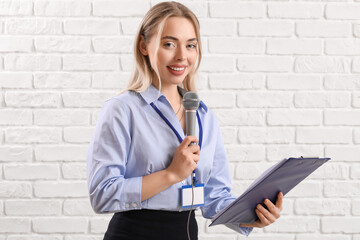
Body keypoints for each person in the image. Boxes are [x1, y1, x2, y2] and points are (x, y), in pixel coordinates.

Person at [86, 2, 283, 240]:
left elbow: (215, 197)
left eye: (190, 45)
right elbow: (102, 194)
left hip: (186, 233)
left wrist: (253, 216)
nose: (182, 56)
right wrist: (171, 174)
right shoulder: (122, 109)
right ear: (144, 46)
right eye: (169, 44)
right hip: (134, 233)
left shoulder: (204, 116)